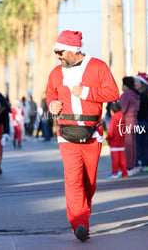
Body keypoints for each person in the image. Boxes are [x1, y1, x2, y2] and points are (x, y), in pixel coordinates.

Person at [46, 30, 119, 241]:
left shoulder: (98, 66)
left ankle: (83, 214)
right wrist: (52, 105)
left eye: (60, 52)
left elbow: (113, 93)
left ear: (72, 50)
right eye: (56, 52)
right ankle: (79, 222)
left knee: (89, 181)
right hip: (66, 133)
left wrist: (86, 92)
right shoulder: (55, 73)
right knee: (73, 179)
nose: (57, 56)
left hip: (92, 133)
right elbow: (50, 93)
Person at [134, 73, 148, 171]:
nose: (135, 84)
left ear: (142, 83)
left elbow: (137, 109)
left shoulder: (142, 95)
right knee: (145, 143)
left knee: (141, 143)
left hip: (142, 122)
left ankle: (145, 163)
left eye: (137, 82)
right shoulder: (147, 94)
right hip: (147, 121)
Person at [119, 76, 140, 176]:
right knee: (132, 146)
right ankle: (132, 165)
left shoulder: (126, 95)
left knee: (127, 146)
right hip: (134, 121)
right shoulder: (135, 94)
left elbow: (122, 110)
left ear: (126, 85)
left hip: (126, 123)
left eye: (123, 85)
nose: (122, 87)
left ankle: (128, 167)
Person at [105, 102, 127, 179]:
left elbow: (111, 132)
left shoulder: (113, 119)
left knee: (115, 160)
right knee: (122, 160)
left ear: (112, 111)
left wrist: (107, 138)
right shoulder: (123, 118)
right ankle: (124, 173)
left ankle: (115, 173)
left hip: (114, 143)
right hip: (122, 142)